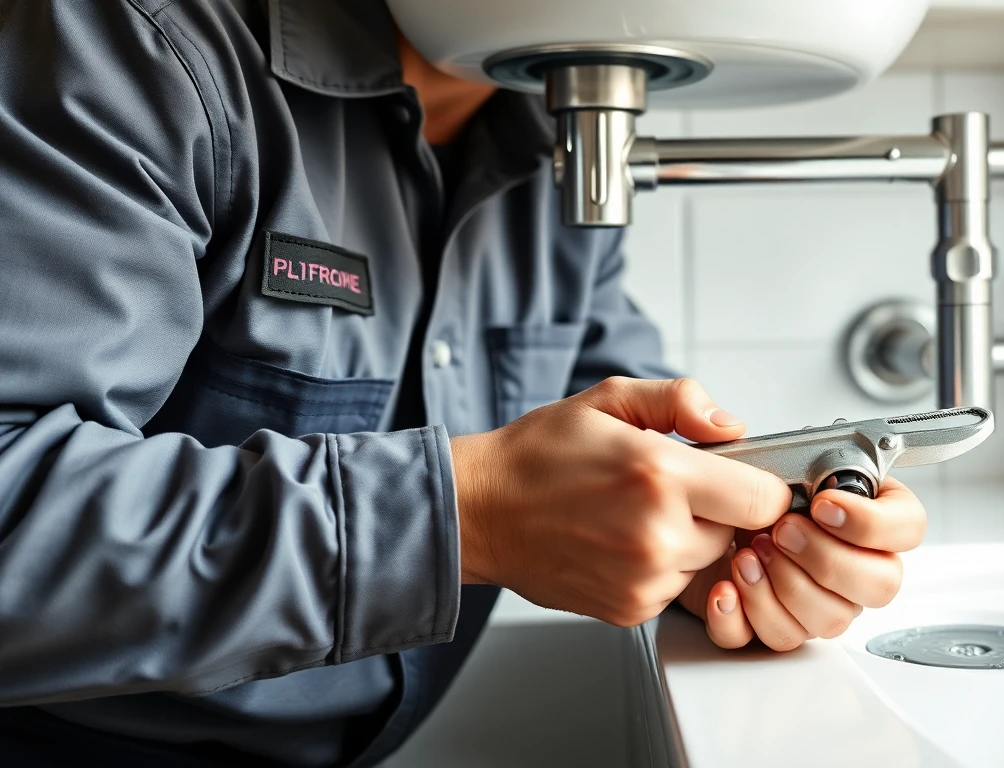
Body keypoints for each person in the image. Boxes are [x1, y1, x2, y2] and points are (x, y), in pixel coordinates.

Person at [0, 1, 925, 765]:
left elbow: (639, 444)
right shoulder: (141, 45)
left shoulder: (556, 141)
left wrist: (728, 545)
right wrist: (465, 517)